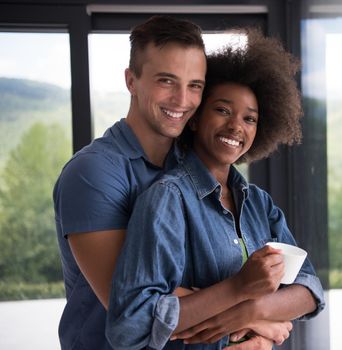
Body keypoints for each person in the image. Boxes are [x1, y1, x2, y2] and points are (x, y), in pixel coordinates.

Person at [106, 29, 325, 350]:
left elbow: (309, 288)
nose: (236, 126)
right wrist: (238, 288)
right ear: (194, 119)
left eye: (250, 119)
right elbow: (129, 324)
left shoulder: (258, 204)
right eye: (222, 110)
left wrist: (250, 311)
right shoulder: (167, 199)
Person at [53, 15, 207, 349]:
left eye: (195, 85)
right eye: (167, 81)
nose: (183, 100)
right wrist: (252, 306)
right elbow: (137, 307)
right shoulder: (92, 174)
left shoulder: (193, 165)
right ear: (131, 81)